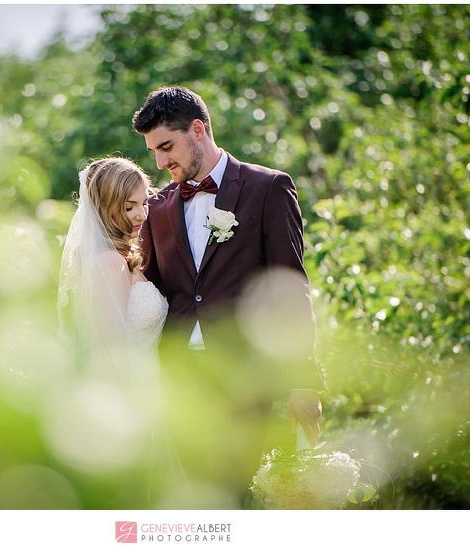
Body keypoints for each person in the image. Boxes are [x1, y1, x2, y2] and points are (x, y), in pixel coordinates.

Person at [132, 86, 327, 504]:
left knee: (238, 499)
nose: (161, 162)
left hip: (246, 380)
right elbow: (150, 291)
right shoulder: (158, 206)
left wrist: (302, 383)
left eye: (166, 147)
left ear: (198, 130)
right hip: (179, 383)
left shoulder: (268, 188)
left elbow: (289, 285)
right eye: (153, 151)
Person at [56, 157, 188, 508]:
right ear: (104, 206)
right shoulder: (107, 262)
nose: (141, 215)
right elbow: (110, 351)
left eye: (144, 202)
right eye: (129, 206)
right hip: (132, 396)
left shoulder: (120, 258)